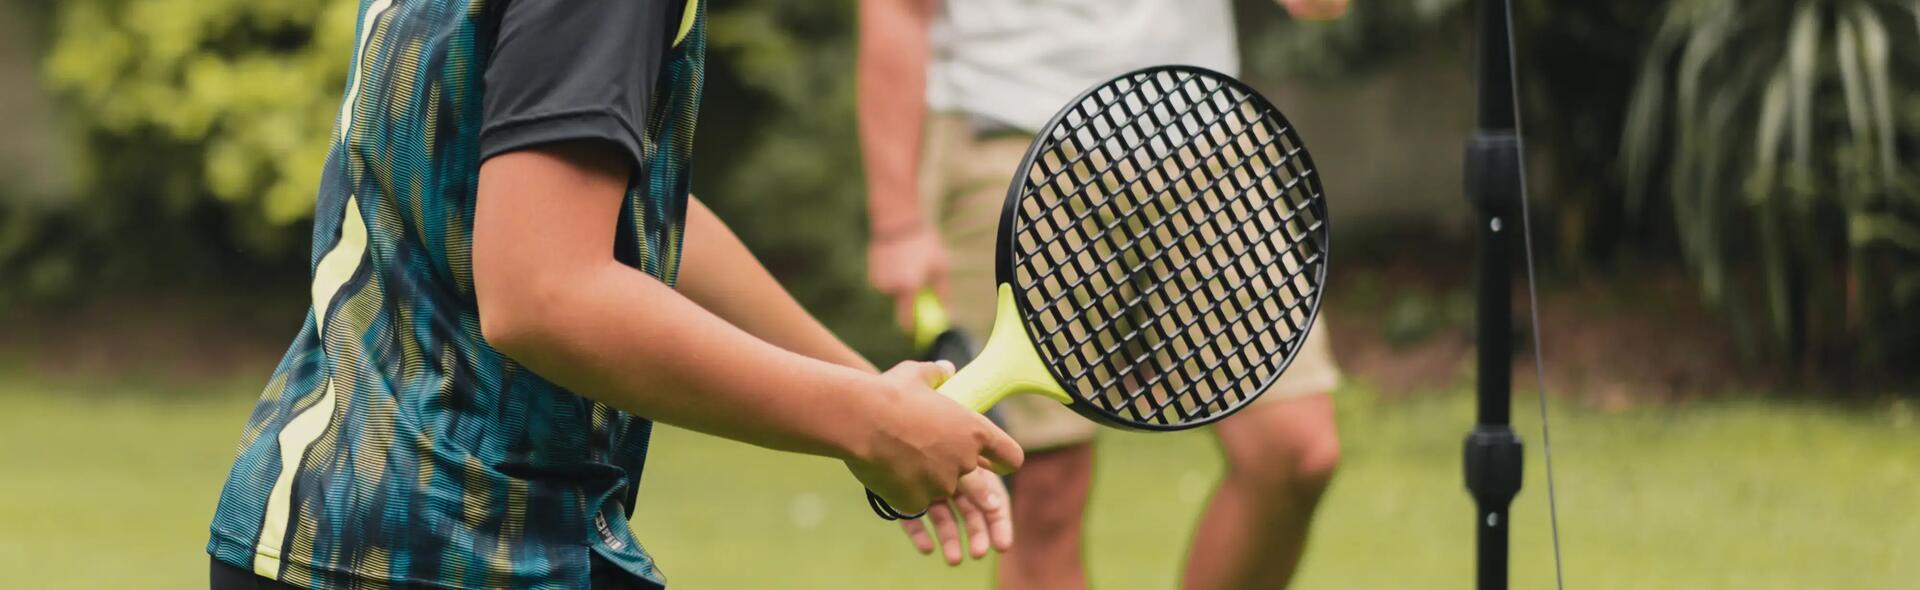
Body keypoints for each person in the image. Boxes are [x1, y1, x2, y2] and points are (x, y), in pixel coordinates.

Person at [205, 1, 1022, 588]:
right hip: (464, 550)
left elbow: (604, 205)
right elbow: (544, 291)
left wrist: (867, 391)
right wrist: (863, 420)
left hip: (308, 525)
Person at [857, 0, 1349, 588]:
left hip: (1201, 117)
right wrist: (898, 223)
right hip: (1008, 121)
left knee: (1295, 451)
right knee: (1041, 489)